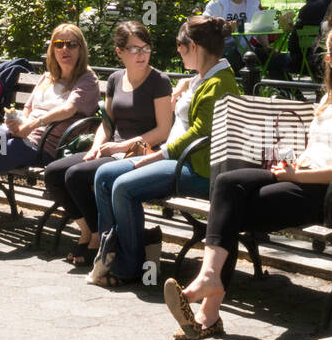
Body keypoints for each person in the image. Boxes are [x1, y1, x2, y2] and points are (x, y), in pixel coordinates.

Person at [164, 22, 332, 340]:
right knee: (228, 185)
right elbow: (318, 147)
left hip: (329, 193)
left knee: (231, 212)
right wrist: (294, 162)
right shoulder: (329, 98)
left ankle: (210, 307)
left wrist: (298, 174)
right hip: (300, 177)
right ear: (329, 60)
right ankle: (209, 281)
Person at [89, 16, 239, 286]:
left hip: (198, 168)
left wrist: (153, 156)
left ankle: (129, 266)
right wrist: (185, 87)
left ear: (193, 46)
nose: (178, 52)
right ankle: (111, 254)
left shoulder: (219, 83)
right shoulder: (205, 77)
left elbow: (200, 133)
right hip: (182, 160)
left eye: (180, 47)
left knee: (123, 187)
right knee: (103, 176)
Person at [0, 24, 98, 249]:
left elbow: (68, 110)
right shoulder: (47, 78)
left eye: (71, 44)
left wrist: (32, 125)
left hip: (43, 147)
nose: (65, 49)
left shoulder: (86, 79)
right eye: (59, 44)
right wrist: (16, 123)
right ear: (52, 49)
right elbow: (27, 110)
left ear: (80, 48)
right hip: (20, 140)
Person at [43, 21, 173, 266]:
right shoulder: (115, 79)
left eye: (145, 48)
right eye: (134, 49)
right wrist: (96, 146)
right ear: (119, 52)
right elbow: (107, 122)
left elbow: (163, 130)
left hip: (141, 153)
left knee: (76, 176)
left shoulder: (159, 81)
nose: (141, 54)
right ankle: (90, 230)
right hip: (112, 150)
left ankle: (98, 240)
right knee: (54, 173)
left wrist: (121, 147)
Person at [266, 0, 332, 79]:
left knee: (273, 63)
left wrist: (293, 29)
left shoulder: (309, 8)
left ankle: (292, 95)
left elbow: (294, 45)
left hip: (307, 60)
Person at [204, 0, 269, 72]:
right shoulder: (217, 4)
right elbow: (205, 27)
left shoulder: (253, 3)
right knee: (236, 60)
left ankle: (286, 88)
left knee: (276, 59)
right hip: (220, 50)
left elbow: (259, 28)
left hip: (246, 49)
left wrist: (266, 46)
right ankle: (246, 87)